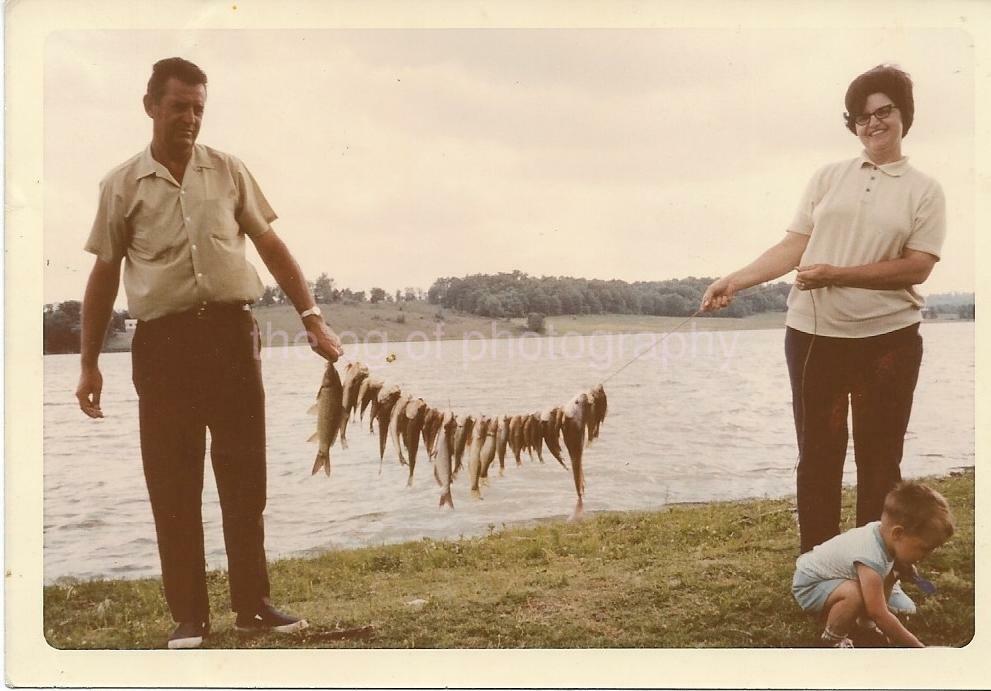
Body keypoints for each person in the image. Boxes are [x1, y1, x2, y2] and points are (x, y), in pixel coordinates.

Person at [75, 57, 344, 649]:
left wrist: (312, 317)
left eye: (199, 107)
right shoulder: (120, 185)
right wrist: (89, 361)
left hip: (232, 338)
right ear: (151, 106)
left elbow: (272, 246)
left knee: (245, 480)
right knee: (174, 484)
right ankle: (190, 616)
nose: (190, 118)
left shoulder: (229, 171)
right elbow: (102, 276)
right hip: (162, 347)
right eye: (179, 107)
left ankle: (252, 605)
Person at [700, 64, 946, 614]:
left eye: (884, 111)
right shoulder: (826, 177)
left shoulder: (926, 191)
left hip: (889, 341)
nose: (873, 123)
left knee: (880, 462)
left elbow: (918, 267)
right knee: (818, 457)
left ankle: (883, 574)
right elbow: (793, 246)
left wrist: (838, 274)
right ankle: (818, 570)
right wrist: (735, 280)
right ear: (852, 125)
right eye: (862, 116)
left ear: (904, 115)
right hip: (814, 338)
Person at [791, 481, 954, 647]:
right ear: (898, 533)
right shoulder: (870, 556)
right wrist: (917, 647)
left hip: (835, 578)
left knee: (895, 591)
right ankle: (833, 639)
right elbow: (878, 612)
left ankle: (865, 626)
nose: (926, 556)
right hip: (810, 584)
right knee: (854, 594)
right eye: (924, 548)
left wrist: (902, 567)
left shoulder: (885, 535)